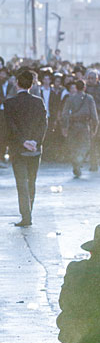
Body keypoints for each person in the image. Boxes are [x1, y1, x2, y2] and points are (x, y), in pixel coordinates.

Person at [4, 69, 48, 227]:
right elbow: (43, 124)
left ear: (17, 83)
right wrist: (35, 141)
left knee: (21, 183)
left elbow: (10, 126)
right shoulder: (38, 101)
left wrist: (23, 141)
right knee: (31, 182)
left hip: (18, 148)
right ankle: (29, 212)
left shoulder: (9, 103)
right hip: (35, 149)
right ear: (32, 84)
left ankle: (26, 216)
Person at [61, 80, 99, 178]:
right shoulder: (89, 99)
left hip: (73, 125)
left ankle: (75, 163)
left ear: (76, 88)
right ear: (84, 87)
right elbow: (94, 115)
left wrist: (64, 127)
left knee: (73, 146)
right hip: (84, 125)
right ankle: (79, 161)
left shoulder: (70, 98)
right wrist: (95, 127)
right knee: (85, 145)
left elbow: (64, 114)